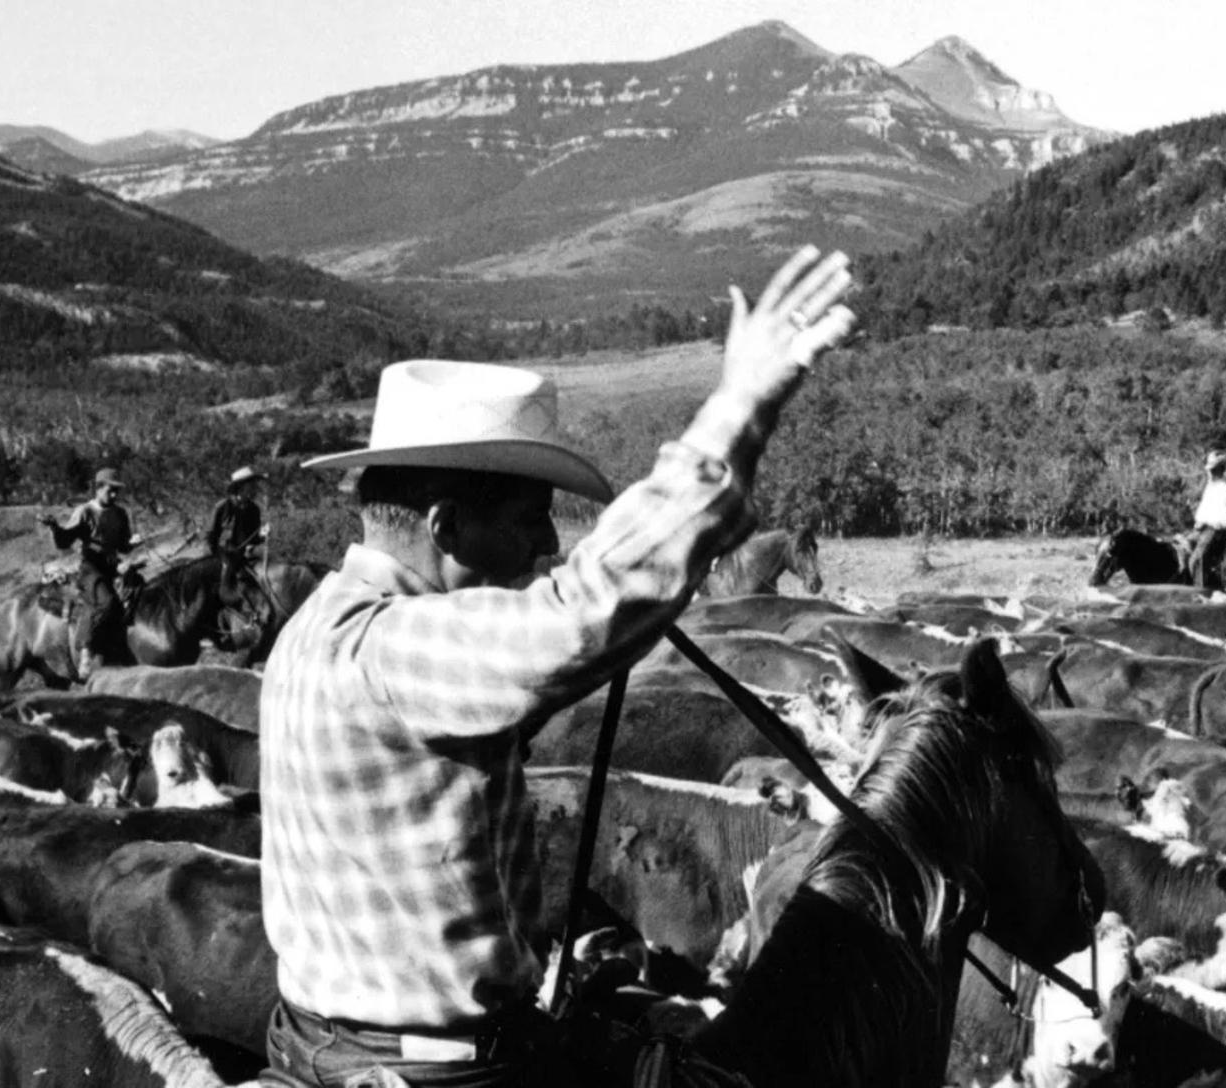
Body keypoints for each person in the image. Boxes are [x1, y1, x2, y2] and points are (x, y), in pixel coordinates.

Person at [258, 246, 855, 1088]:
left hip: (326, 1042)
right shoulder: (394, 650)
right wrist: (740, 406)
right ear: (446, 524)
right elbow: (576, 616)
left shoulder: (313, 628)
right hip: (443, 1071)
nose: (545, 543)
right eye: (531, 518)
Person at [38, 466, 144, 675]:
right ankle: (86, 650)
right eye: (109, 490)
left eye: (116, 491)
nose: (114, 495)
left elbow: (123, 546)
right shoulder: (85, 512)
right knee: (107, 602)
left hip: (113, 566)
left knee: (139, 588)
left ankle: (124, 647)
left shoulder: (120, 513)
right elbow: (65, 541)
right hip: (91, 568)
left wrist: (133, 544)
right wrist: (55, 527)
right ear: (98, 488)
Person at [207, 465, 269, 600]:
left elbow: (254, 538)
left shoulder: (254, 509)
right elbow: (210, 535)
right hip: (223, 557)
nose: (254, 487)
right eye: (250, 484)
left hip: (245, 556)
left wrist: (262, 536)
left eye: (254, 484)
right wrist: (217, 557)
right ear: (241, 487)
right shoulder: (222, 507)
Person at [1188, 449, 1226, 589]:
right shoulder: (1210, 487)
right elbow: (1205, 509)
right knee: (1183, 547)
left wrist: (1206, 521)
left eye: (1213, 470)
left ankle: (1201, 591)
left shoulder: (1223, 488)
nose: (1210, 473)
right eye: (1210, 470)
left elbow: (1224, 516)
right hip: (1203, 527)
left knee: (1199, 558)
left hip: (1216, 529)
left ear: (1220, 470)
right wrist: (1199, 521)